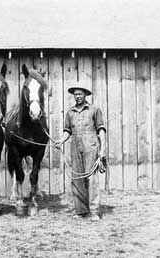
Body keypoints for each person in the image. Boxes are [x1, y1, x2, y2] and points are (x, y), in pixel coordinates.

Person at [55, 82, 106, 221]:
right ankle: (81, 210)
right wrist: (60, 140)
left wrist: (103, 150)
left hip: (91, 146)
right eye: (75, 94)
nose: (77, 96)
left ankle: (94, 211)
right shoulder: (70, 112)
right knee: (77, 179)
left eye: (80, 94)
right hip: (75, 147)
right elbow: (67, 131)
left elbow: (101, 130)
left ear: (85, 95)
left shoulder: (94, 109)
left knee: (92, 179)